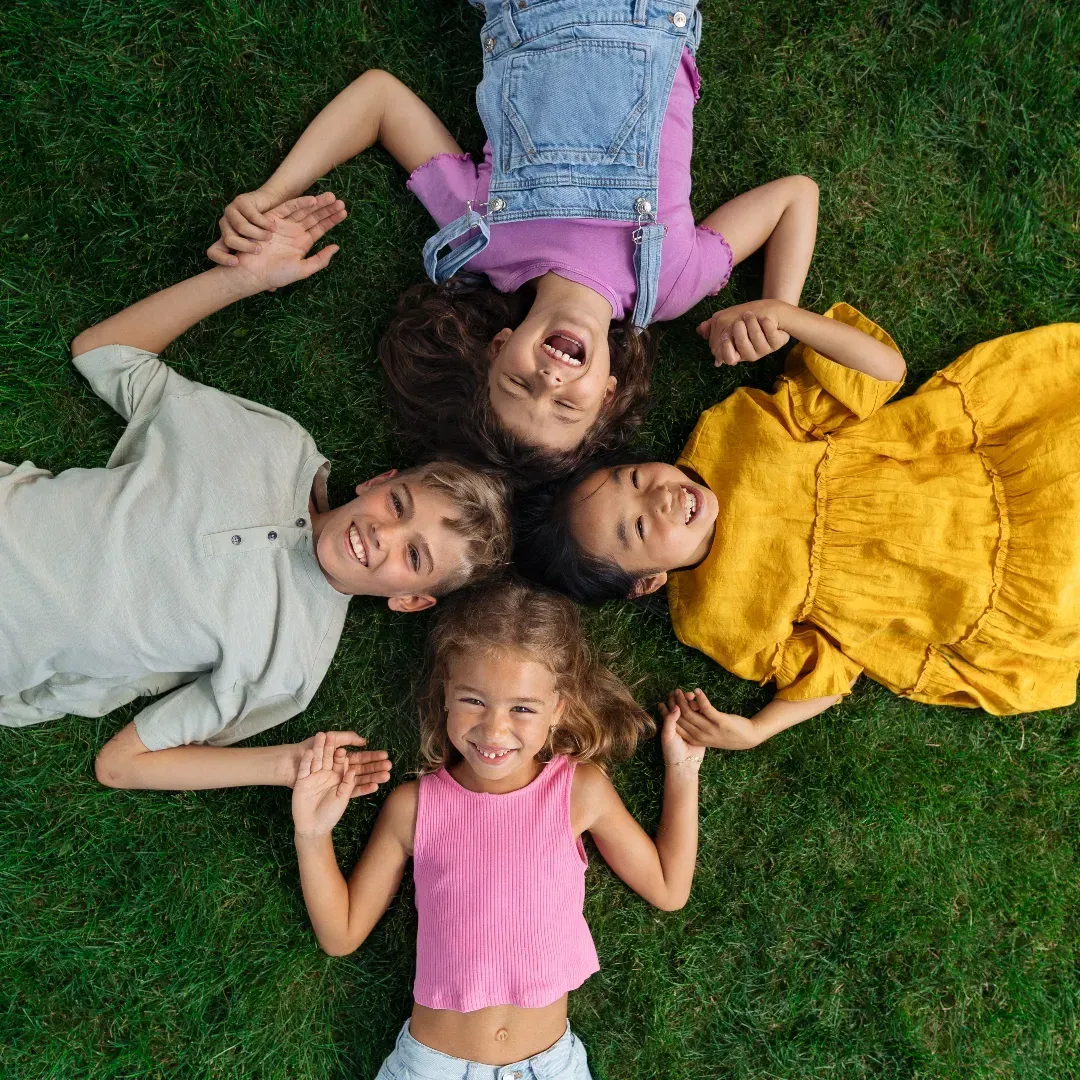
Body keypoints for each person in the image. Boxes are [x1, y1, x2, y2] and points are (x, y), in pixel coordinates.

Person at [1, 196, 512, 795]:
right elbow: (106, 355)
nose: (383, 535)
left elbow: (123, 764)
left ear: (412, 601)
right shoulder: (273, 444)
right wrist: (241, 278)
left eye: (414, 556)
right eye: (399, 506)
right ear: (379, 481)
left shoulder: (290, 664)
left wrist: (290, 765)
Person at [210, 2, 819, 480]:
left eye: (518, 384)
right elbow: (797, 196)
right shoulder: (669, 286)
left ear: (500, 344)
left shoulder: (484, 239)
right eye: (565, 407)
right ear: (606, 395)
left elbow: (378, 99)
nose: (549, 383)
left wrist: (271, 193)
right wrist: (779, 309)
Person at [513, 298, 1080, 747]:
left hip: (989, 472)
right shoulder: (716, 616)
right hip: (983, 595)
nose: (658, 497)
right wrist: (758, 729)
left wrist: (786, 319)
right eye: (636, 529)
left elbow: (883, 371)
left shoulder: (734, 436)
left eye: (634, 478)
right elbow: (829, 670)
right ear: (648, 583)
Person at [289, 579, 705, 1077]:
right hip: (433, 1066)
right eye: (473, 701)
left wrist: (683, 771)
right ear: (445, 693)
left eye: (522, 708)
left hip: (550, 1066)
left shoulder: (579, 792)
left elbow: (668, 887)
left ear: (559, 709)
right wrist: (311, 835)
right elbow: (341, 935)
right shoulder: (415, 808)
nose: (493, 730)